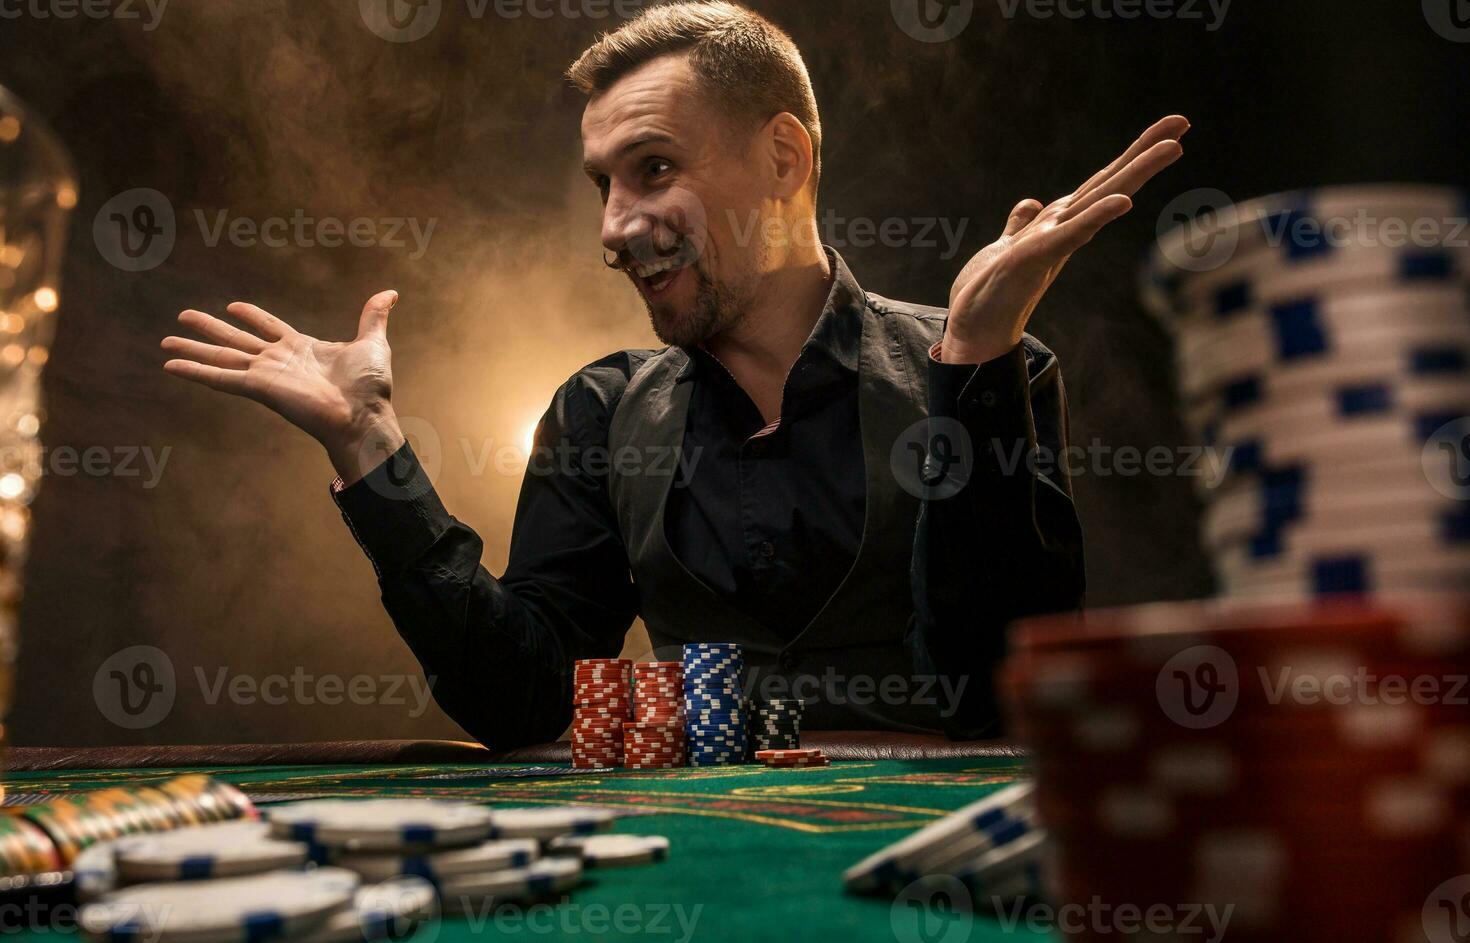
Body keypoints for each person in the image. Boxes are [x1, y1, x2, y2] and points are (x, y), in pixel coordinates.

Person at [160, 1, 1185, 748]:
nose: (612, 227)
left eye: (653, 168)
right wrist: (369, 449)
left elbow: (994, 692)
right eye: (603, 185)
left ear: (784, 158)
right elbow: (524, 701)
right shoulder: (600, 411)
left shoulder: (990, 367)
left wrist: (973, 360)